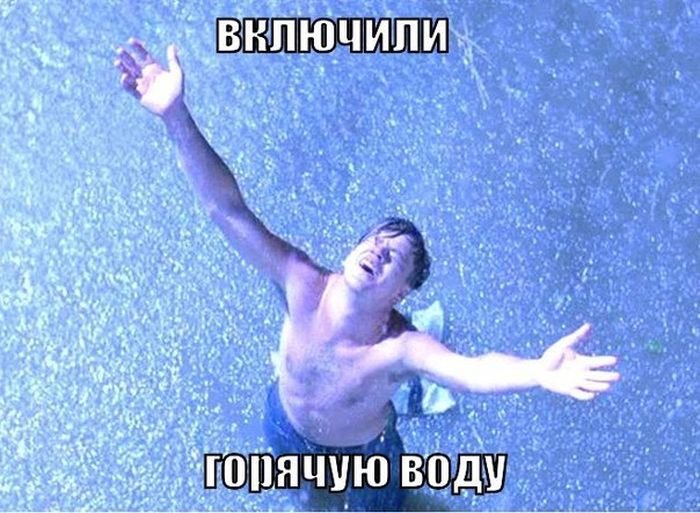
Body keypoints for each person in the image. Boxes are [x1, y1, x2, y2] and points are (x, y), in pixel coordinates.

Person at [115, 38, 620, 511]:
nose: (378, 251)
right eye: (374, 241)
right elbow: (227, 210)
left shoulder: (399, 347)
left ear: (401, 292)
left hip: (365, 458)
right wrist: (176, 117)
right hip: (286, 425)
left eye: (393, 256)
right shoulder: (300, 283)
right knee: (306, 498)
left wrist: (537, 371)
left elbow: (469, 372)